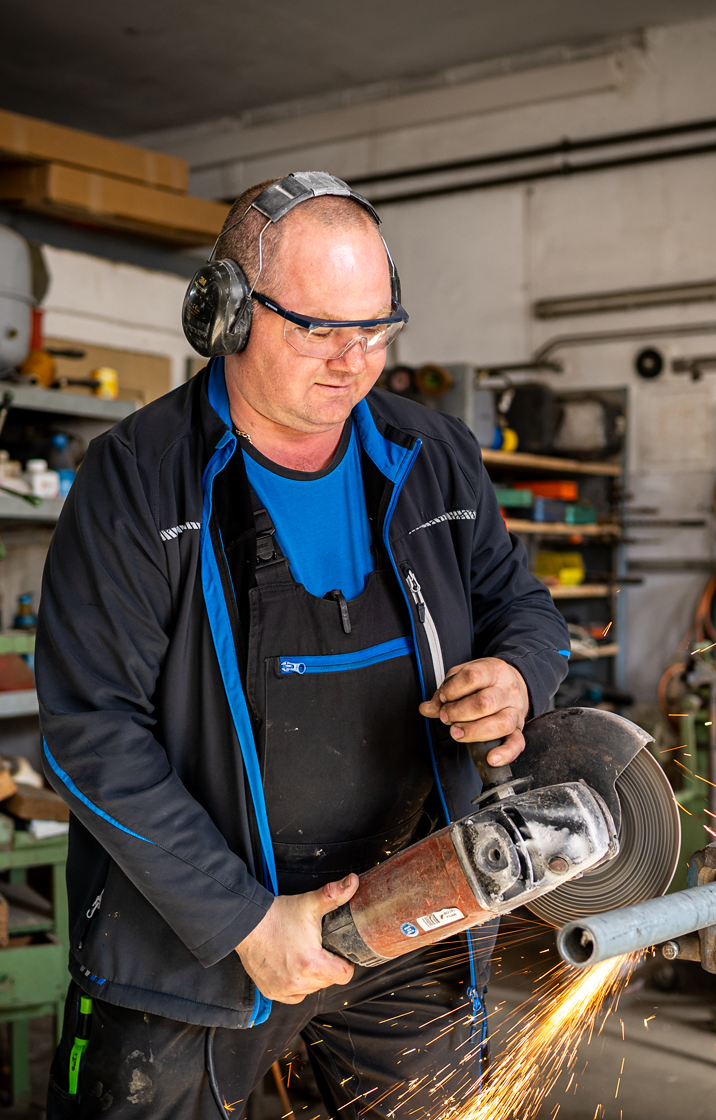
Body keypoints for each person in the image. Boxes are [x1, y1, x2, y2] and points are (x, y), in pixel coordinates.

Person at [39, 172, 570, 1119]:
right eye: (317, 329)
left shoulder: (430, 452)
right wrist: (243, 918)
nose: (353, 361)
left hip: (407, 909)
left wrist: (519, 675)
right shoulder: (137, 481)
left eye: (375, 327)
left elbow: (518, 604)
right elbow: (91, 731)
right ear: (230, 313)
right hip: (191, 948)